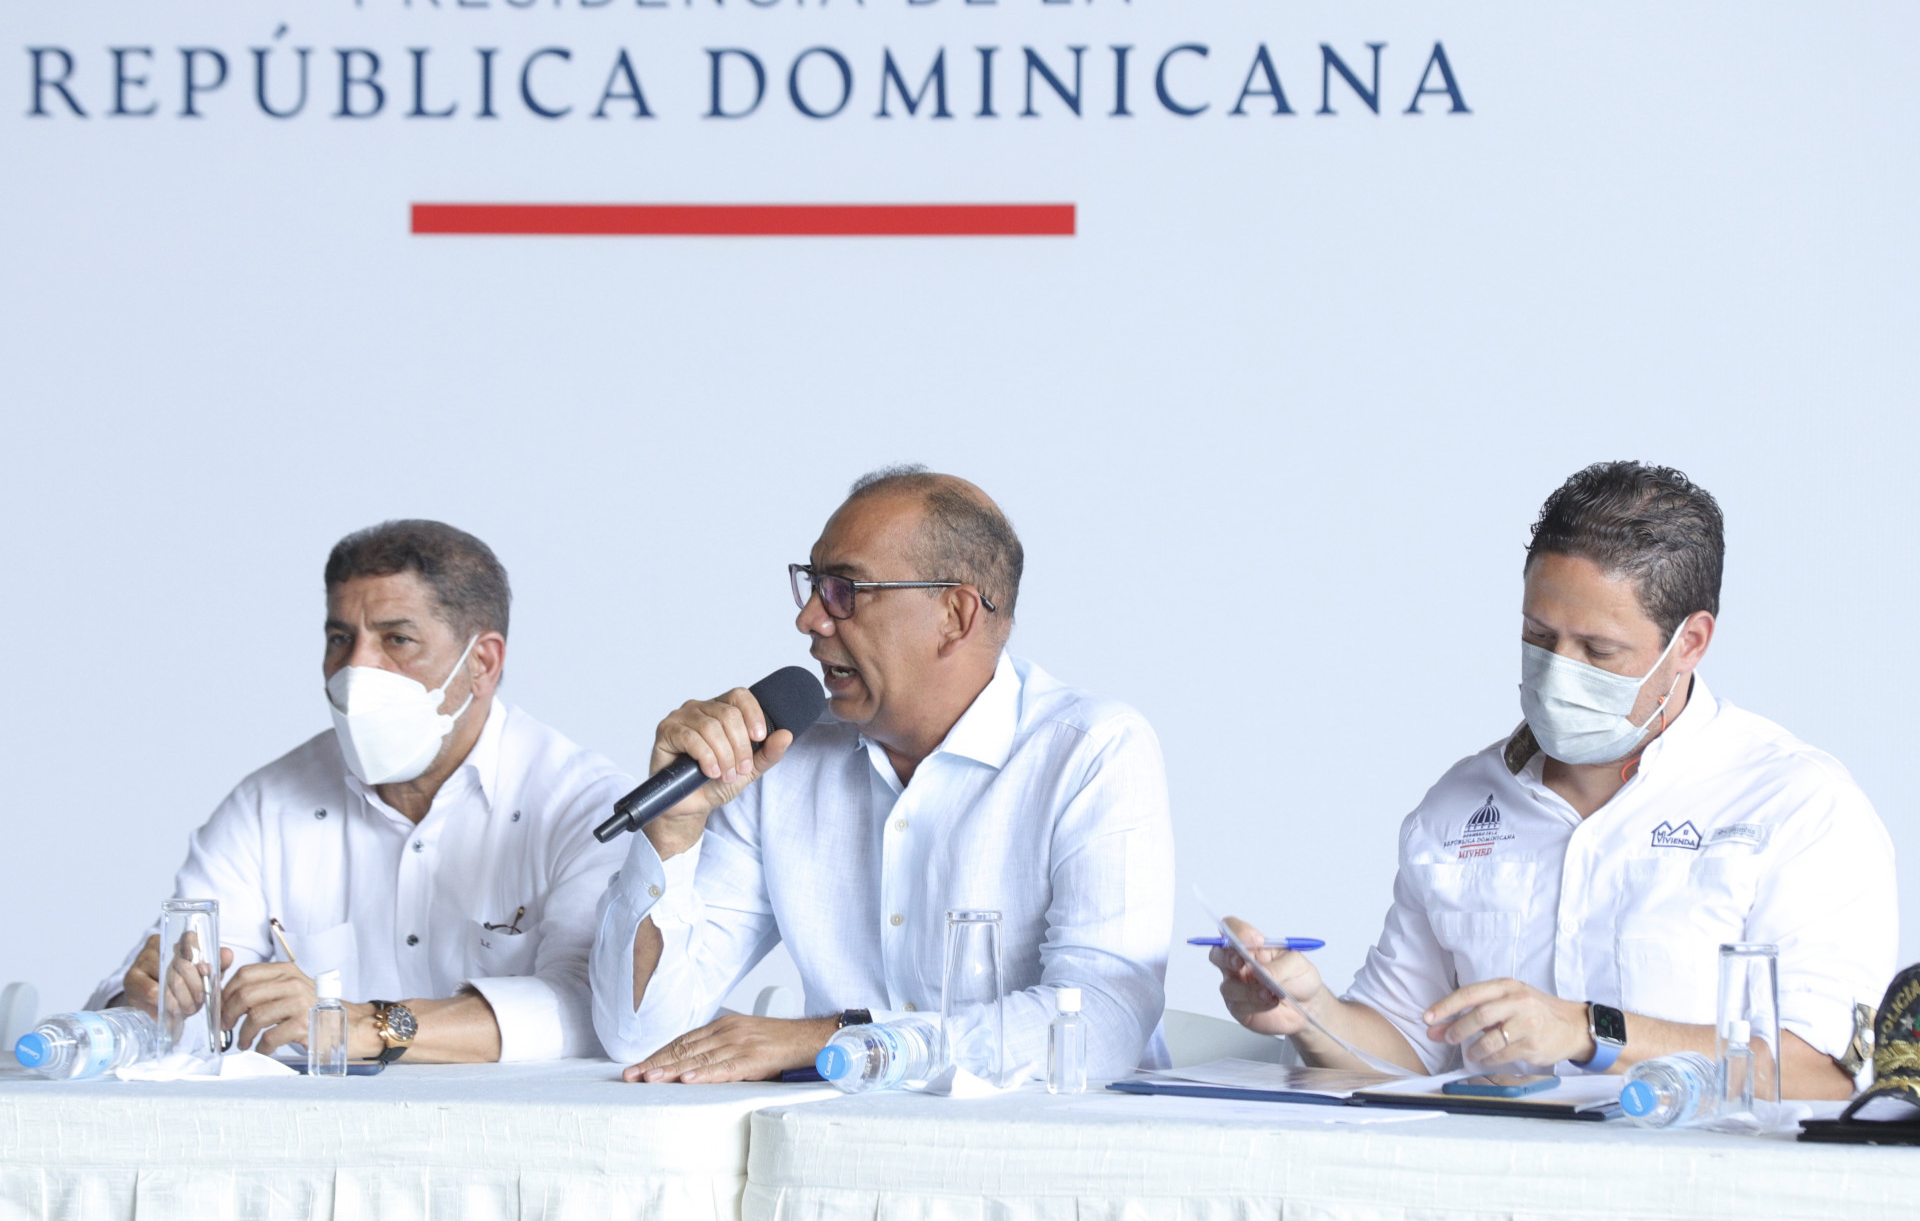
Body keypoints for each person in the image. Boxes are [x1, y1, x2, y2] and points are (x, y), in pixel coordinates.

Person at [1215, 462, 1895, 1098]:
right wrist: (1310, 1012)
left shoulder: (1798, 807)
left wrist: (1590, 1031)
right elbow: (1407, 1052)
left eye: (1598, 649)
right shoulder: (1456, 808)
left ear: (1689, 643)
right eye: (1539, 637)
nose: (1558, 671)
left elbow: (1826, 1073)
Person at [590, 466, 1174, 1082]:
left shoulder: (1092, 753)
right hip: (838, 1137)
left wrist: (844, 1038)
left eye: (844, 589)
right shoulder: (785, 758)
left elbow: (1097, 1025)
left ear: (955, 615)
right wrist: (673, 833)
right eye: (813, 585)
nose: (809, 619)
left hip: (1046, 1138)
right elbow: (638, 1034)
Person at [91, 520, 631, 1063]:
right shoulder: (266, 807)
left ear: (482, 663)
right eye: (340, 639)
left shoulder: (585, 808)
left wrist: (372, 1027)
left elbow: (595, 1006)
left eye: (397, 639)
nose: (356, 668)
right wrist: (153, 1005)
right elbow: (191, 1003)